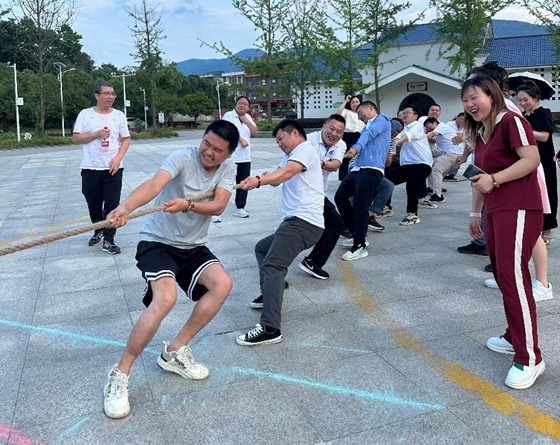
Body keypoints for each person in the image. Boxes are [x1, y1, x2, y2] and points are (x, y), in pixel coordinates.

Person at [102, 120, 239, 419]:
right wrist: (125, 207)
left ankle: (175, 350)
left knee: (223, 284)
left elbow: (219, 205)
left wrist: (187, 205)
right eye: (206, 143)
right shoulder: (182, 158)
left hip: (193, 247)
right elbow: (154, 185)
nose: (209, 152)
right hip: (157, 242)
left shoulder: (228, 170)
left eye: (218, 150)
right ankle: (120, 373)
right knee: (165, 299)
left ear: (229, 154)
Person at [463, 75, 545, 389]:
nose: (470, 104)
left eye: (475, 97)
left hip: (519, 207)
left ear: (492, 94)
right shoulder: (483, 134)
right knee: (504, 276)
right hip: (496, 210)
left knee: (513, 278)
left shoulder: (511, 121)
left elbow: (532, 159)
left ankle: (530, 357)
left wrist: (495, 180)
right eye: (465, 100)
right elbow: (479, 177)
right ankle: (515, 336)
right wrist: (475, 213)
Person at [237, 119, 324, 345]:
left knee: (273, 265)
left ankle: (270, 328)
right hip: (298, 222)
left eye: (280, 139)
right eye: (276, 141)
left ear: (294, 133)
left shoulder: (304, 149)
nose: (279, 144)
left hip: (303, 222)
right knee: (263, 249)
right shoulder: (292, 155)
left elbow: (286, 173)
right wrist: (265, 176)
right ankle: (270, 292)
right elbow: (278, 177)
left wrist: (259, 181)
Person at [73, 81, 131, 254]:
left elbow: (126, 139)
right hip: (90, 167)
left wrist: (118, 158)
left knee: (112, 205)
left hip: (113, 168)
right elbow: (76, 139)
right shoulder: (85, 115)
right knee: (93, 204)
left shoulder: (118, 115)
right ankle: (98, 230)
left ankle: (109, 239)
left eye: (112, 94)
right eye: (106, 93)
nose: (110, 97)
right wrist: (96, 134)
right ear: (97, 95)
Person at [334, 101, 391, 261]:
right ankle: (356, 235)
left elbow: (370, 134)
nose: (359, 117)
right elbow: (367, 134)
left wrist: (355, 148)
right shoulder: (365, 128)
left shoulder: (382, 119)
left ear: (370, 108)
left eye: (361, 112)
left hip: (372, 169)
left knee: (360, 205)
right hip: (357, 169)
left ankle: (359, 246)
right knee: (340, 197)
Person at [299, 114, 346, 279]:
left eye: (339, 131)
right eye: (331, 128)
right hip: (302, 193)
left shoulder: (341, 144)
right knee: (298, 232)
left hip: (318, 194)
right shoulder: (308, 140)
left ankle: (312, 261)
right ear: (324, 126)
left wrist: (320, 162)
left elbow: (335, 165)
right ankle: (277, 265)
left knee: (333, 223)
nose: (334, 134)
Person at [516, 81, 558, 245]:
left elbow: (545, 136)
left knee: (547, 193)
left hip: (544, 160)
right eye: (520, 100)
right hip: (528, 159)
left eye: (526, 99)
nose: (523, 103)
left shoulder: (543, 113)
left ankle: (547, 229)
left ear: (535, 98)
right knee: (532, 194)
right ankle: (534, 226)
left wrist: (526, 131)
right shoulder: (523, 116)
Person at [385, 105, 434, 225]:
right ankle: (386, 208)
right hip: (408, 166)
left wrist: (394, 143)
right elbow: (396, 137)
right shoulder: (405, 128)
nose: (404, 115)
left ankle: (412, 214)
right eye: (402, 113)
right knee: (386, 181)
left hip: (422, 164)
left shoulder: (417, 126)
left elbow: (404, 138)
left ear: (415, 116)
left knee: (412, 181)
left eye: (407, 113)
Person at [220, 95, 258, 221]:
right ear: (236, 104)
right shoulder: (229, 116)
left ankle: (240, 208)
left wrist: (247, 121)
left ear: (248, 107)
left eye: (245, 104)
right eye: (240, 103)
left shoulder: (248, 117)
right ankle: (216, 210)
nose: (242, 105)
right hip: (230, 156)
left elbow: (255, 132)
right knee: (224, 182)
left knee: (243, 183)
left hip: (245, 157)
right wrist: (241, 140)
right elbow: (227, 131)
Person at [424, 117, 464, 202]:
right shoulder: (440, 131)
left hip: (453, 154)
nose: (428, 129)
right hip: (449, 154)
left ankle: (438, 195)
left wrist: (419, 138)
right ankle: (431, 187)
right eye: (427, 128)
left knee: (437, 169)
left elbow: (432, 134)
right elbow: (434, 140)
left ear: (435, 123)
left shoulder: (441, 126)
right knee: (430, 164)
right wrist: (427, 134)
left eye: (429, 126)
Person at [336, 95, 365, 180]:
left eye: (357, 102)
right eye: (353, 102)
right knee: (347, 157)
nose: (355, 104)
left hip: (360, 137)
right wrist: (346, 102)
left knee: (359, 157)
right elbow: (338, 114)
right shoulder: (347, 112)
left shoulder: (363, 114)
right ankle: (344, 178)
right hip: (348, 136)